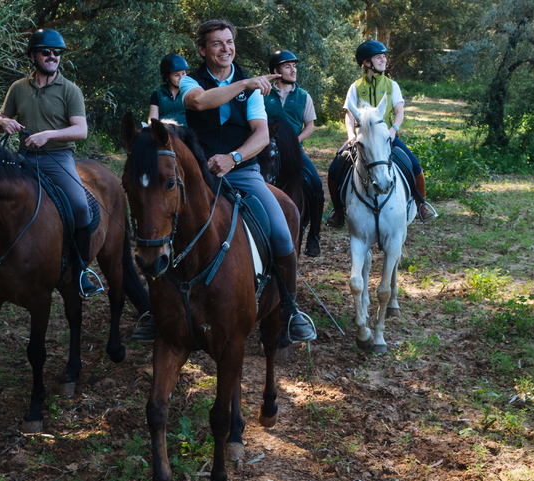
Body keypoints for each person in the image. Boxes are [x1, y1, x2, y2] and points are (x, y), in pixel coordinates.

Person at [180, 19, 316, 343]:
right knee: (163, 226)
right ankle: (156, 310)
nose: (226, 48)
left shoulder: (251, 87)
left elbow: (261, 134)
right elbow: (200, 102)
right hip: (198, 174)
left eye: (230, 42)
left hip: (242, 172)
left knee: (283, 235)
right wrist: (245, 85)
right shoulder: (189, 81)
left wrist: (234, 158)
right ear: (202, 49)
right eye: (217, 43)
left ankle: (290, 311)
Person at [0, 28, 100, 297]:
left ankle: (80, 272)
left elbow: (80, 130)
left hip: (58, 157)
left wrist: (48, 135)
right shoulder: (18, 88)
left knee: (80, 208)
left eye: (57, 52)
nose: (53, 56)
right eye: (46, 51)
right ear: (33, 55)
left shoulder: (70, 90)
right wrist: (4, 122)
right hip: (24, 158)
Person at [326, 40, 437, 228]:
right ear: (367, 62)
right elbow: (349, 114)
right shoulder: (355, 87)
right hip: (362, 139)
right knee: (335, 167)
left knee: (414, 164)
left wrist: (394, 129)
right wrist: (350, 134)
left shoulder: (392, 85)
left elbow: (399, 111)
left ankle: (421, 204)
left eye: (384, 56)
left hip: (386, 137)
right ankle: (338, 211)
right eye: (379, 57)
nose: (384, 60)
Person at [264, 50, 325, 257]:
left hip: (294, 152)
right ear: (276, 70)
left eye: (294, 66)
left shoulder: (303, 96)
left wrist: (293, 142)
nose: (293, 69)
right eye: (288, 66)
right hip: (265, 150)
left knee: (316, 184)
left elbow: (309, 126)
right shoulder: (263, 94)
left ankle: (314, 236)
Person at [148, 53, 189, 126]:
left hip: (186, 134)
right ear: (167, 76)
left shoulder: (190, 92)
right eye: (176, 75)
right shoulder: (157, 95)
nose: (181, 78)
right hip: (165, 133)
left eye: (183, 73)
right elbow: (153, 120)